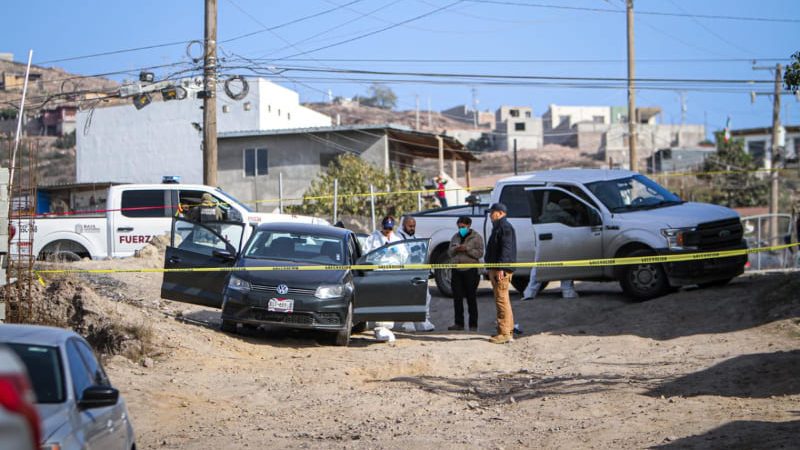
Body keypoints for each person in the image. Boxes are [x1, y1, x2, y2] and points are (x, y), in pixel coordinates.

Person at [523, 197, 580, 300]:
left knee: (538, 267)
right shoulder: (564, 215)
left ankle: (529, 293)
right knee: (565, 266)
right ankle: (568, 292)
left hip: (544, 242)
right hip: (560, 244)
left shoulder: (546, 213)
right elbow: (575, 224)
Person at [396, 216, 436, 332]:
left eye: (414, 226)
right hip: (405, 272)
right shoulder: (397, 238)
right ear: (403, 225)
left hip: (419, 272)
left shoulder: (418, 238)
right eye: (410, 226)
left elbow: (425, 254)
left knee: (425, 296)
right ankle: (408, 321)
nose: (412, 228)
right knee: (407, 297)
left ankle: (424, 319)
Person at [485, 203, 517, 344]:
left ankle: (504, 333)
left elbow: (506, 248)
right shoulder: (498, 227)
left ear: (500, 213)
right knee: (503, 300)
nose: (490, 215)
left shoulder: (504, 227)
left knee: (501, 300)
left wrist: (501, 267)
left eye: (492, 212)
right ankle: (506, 330)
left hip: (501, 270)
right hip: (497, 268)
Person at [447, 216, 484, 332]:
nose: (460, 229)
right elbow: (449, 252)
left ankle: (473, 325)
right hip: (457, 270)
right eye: (459, 227)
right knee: (457, 298)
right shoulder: (455, 237)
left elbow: (480, 253)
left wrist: (467, 249)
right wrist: (455, 249)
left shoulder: (476, 237)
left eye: (463, 227)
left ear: (468, 226)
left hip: (471, 270)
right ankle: (459, 323)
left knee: (471, 298)